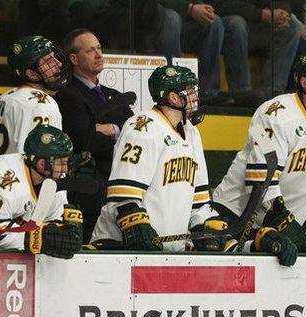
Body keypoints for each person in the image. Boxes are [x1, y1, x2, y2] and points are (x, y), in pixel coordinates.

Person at [88, 65, 234, 252]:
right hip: (119, 247)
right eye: (190, 92)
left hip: (168, 251)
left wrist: (205, 227)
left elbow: (198, 203)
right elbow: (124, 198)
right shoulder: (142, 127)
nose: (195, 98)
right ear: (173, 97)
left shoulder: (192, 132)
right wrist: (137, 225)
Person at [212, 53, 306, 254]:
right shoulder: (271, 114)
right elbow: (260, 178)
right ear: (305, 82)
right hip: (238, 216)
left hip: (284, 221)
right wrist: (281, 219)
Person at [0, 124, 83, 258]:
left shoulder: (51, 181)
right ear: (42, 163)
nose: (65, 169)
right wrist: (36, 239)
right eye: (61, 163)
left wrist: (58, 234)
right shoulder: (4, 181)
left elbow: (51, 225)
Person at [56, 29, 133, 242]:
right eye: (90, 51)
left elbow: (133, 133)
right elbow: (86, 142)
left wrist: (110, 130)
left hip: (119, 193)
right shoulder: (68, 96)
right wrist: (120, 136)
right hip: (90, 197)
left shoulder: (115, 96)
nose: (99, 54)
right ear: (74, 59)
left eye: (99, 48)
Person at [0, 35, 69, 157]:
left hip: (0, 172)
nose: (59, 63)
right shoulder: (40, 104)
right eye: (48, 61)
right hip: (21, 174)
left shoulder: (5, 97)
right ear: (32, 74)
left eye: (55, 57)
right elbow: (33, 157)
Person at [207, 0, 301, 104]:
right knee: (236, 23)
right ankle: (241, 92)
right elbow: (220, 6)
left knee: (292, 26)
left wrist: (282, 14)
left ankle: (272, 93)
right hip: (225, 25)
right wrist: (261, 14)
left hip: (255, 24)